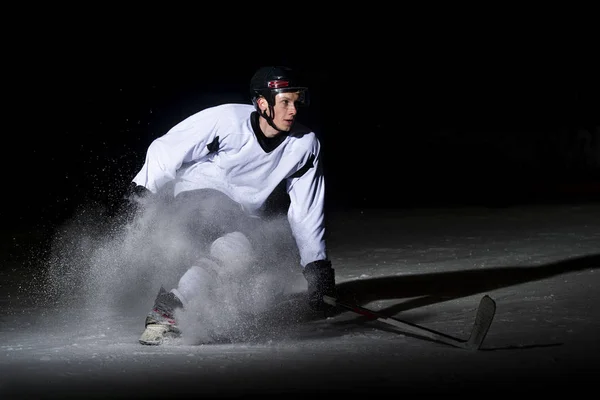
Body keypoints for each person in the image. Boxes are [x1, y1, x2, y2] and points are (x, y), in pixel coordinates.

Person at [125, 66, 337, 345]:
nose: (293, 110)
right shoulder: (227, 120)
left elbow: (306, 209)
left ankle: (173, 310)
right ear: (263, 103)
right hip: (197, 195)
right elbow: (169, 147)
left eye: (297, 101)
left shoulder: (305, 145)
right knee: (232, 240)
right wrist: (143, 190)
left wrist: (316, 265)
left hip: (242, 214)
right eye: (285, 101)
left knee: (241, 255)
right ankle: (168, 310)